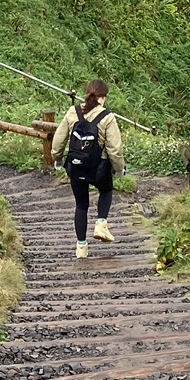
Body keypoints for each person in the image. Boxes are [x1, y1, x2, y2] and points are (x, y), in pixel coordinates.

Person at [51, 80, 123, 258]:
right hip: (99, 167)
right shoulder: (107, 117)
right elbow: (114, 148)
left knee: (81, 205)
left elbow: (59, 140)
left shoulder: (72, 112)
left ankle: (81, 248)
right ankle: (101, 223)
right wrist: (119, 168)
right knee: (106, 190)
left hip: (76, 166)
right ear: (103, 97)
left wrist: (57, 159)